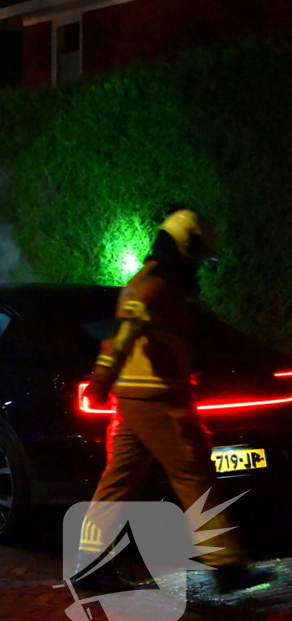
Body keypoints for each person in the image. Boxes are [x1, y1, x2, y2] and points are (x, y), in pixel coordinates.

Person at [79, 209, 271, 594]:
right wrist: (100, 382)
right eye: (197, 256)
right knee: (195, 475)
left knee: (116, 485)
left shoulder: (150, 284)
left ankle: (88, 565)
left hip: (136, 401)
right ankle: (227, 564)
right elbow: (120, 339)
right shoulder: (154, 288)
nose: (198, 265)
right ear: (187, 247)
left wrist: (107, 384)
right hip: (159, 403)